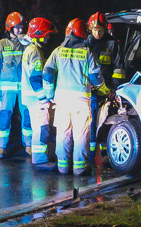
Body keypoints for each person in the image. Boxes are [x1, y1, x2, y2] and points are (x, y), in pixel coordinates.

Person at [43, 18, 109, 176]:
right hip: (81, 99)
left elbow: (47, 72)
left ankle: (63, 167)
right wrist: (104, 90)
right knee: (81, 133)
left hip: (62, 99)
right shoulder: (87, 52)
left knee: (63, 132)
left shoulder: (58, 51)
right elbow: (96, 77)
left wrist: (49, 94)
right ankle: (79, 168)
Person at [0, 12, 32, 159]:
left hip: (25, 88)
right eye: (17, 27)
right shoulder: (0, 45)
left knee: (27, 116)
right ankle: (1, 147)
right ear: (9, 28)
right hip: (6, 90)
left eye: (21, 27)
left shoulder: (28, 44)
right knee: (4, 117)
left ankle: (29, 145)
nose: (20, 30)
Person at [22, 17, 57, 169]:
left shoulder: (30, 49)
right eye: (47, 34)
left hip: (30, 97)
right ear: (39, 34)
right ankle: (40, 159)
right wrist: (44, 98)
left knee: (38, 127)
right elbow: (35, 78)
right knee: (41, 127)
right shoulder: (35, 52)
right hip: (36, 98)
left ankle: (39, 157)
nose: (48, 37)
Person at [86, 12, 123, 157]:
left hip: (107, 89)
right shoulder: (87, 42)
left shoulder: (113, 44)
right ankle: (91, 151)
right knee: (90, 120)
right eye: (95, 30)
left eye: (100, 30)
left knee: (106, 120)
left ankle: (105, 151)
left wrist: (114, 87)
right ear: (90, 29)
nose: (98, 33)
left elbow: (119, 68)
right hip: (90, 89)